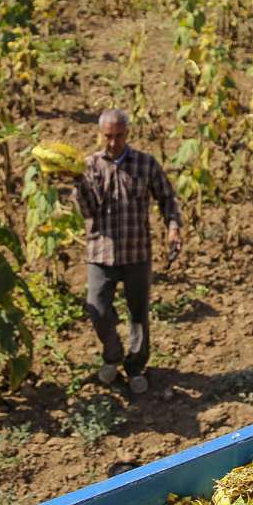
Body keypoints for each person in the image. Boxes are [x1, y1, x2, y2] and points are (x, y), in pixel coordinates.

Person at [74, 109, 182, 395]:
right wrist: (76, 184)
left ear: (127, 133)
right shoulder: (90, 166)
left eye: (119, 136)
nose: (113, 142)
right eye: (108, 136)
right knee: (96, 309)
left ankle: (135, 367)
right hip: (101, 253)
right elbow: (87, 211)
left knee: (138, 315)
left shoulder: (145, 164)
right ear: (101, 135)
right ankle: (113, 354)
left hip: (136, 252)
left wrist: (173, 227)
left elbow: (167, 198)